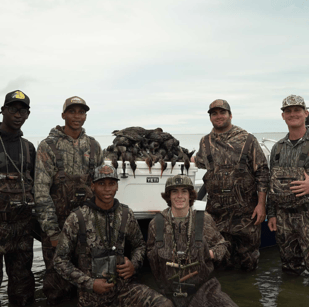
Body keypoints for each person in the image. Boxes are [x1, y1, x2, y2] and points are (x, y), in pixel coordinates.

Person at [53, 164, 173, 307]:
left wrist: (133, 265)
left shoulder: (125, 214)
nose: (107, 189)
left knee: (164, 304)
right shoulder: (77, 218)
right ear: (92, 186)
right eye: (101, 184)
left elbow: (139, 245)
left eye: (112, 183)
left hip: (124, 290)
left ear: (117, 186)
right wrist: (90, 283)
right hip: (91, 297)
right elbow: (59, 260)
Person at [34, 96, 103, 305]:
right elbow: (41, 191)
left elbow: (102, 189)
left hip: (87, 231)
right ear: (63, 115)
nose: (77, 116)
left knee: (88, 285)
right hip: (58, 231)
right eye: (72, 111)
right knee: (57, 287)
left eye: (81, 112)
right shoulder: (48, 146)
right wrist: (53, 233)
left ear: (85, 116)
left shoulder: (94, 146)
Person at [193, 99, 269, 271]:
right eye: (214, 113)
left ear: (230, 115)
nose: (218, 116)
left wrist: (261, 204)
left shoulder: (247, 140)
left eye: (222, 112)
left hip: (246, 216)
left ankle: (249, 296)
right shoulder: (205, 142)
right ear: (210, 117)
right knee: (219, 265)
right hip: (217, 216)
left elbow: (262, 172)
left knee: (248, 266)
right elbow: (197, 161)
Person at [147, 174, 237, 307]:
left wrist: (210, 254)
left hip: (203, 289)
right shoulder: (156, 224)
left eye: (184, 191)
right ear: (168, 196)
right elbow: (151, 256)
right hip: (169, 292)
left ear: (190, 195)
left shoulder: (203, 219)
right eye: (174, 192)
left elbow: (222, 245)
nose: (179, 196)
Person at [0, 90, 36, 306]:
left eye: (23, 111)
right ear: (3, 110)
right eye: (13, 109)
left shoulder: (29, 148)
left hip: (23, 230)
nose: (18, 114)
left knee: (22, 288)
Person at [268, 95, 309, 275]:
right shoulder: (277, 148)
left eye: (297, 110)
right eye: (288, 111)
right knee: (290, 272)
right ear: (283, 116)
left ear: (306, 113)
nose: (293, 114)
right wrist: (271, 214)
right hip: (284, 219)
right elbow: (271, 183)